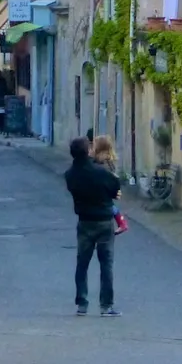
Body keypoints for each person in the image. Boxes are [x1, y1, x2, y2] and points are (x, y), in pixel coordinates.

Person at [64, 136, 121, 317]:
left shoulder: (70, 174)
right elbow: (115, 187)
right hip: (104, 220)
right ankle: (106, 306)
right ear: (88, 151)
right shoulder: (100, 172)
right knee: (106, 265)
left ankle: (82, 303)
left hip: (84, 221)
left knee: (82, 264)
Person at [91, 135, 129, 235]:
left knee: (108, 207)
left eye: (94, 146)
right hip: (105, 190)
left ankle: (122, 223)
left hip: (104, 190)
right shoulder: (103, 161)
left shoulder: (105, 163)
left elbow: (111, 178)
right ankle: (121, 223)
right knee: (109, 207)